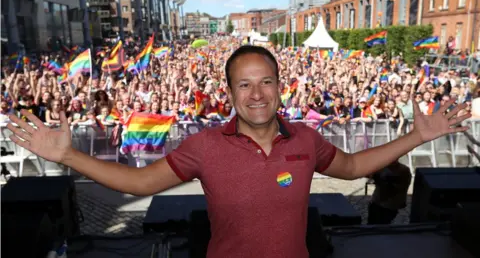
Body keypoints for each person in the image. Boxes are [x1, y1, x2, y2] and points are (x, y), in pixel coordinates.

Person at [6, 46, 471, 258]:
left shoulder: (305, 140)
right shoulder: (205, 146)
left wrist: (416, 137)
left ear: (279, 88)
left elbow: (350, 167)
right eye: (244, 84)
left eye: (266, 81)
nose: (256, 93)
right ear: (229, 91)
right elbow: (140, 183)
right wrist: (68, 156)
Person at [367, 159, 412, 225]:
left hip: (386, 204)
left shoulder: (403, 170)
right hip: (380, 203)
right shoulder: (383, 168)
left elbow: (398, 188)